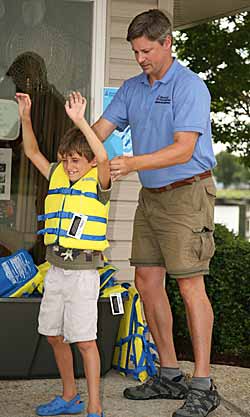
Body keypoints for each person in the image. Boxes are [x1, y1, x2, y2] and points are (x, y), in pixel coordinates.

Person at [92, 8, 220, 417]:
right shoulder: (132, 88)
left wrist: (131, 164)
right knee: (147, 281)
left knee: (190, 287)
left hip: (187, 194)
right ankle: (168, 373)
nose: (141, 58)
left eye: (147, 50)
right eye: (135, 51)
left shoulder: (190, 87)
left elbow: (184, 148)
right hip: (151, 197)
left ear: (167, 43)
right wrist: (75, 143)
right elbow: (100, 131)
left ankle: (202, 383)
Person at [16, 91, 109, 417]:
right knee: (54, 336)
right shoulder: (57, 173)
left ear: (90, 163)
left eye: (76, 161)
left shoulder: (100, 180)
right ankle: (69, 396)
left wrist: (80, 121)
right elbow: (31, 151)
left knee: (85, 341)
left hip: (83, 276)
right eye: (65, 159)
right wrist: (26, 116)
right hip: (55, 271)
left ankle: (94, 406)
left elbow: (103, 155)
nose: (69, 166)